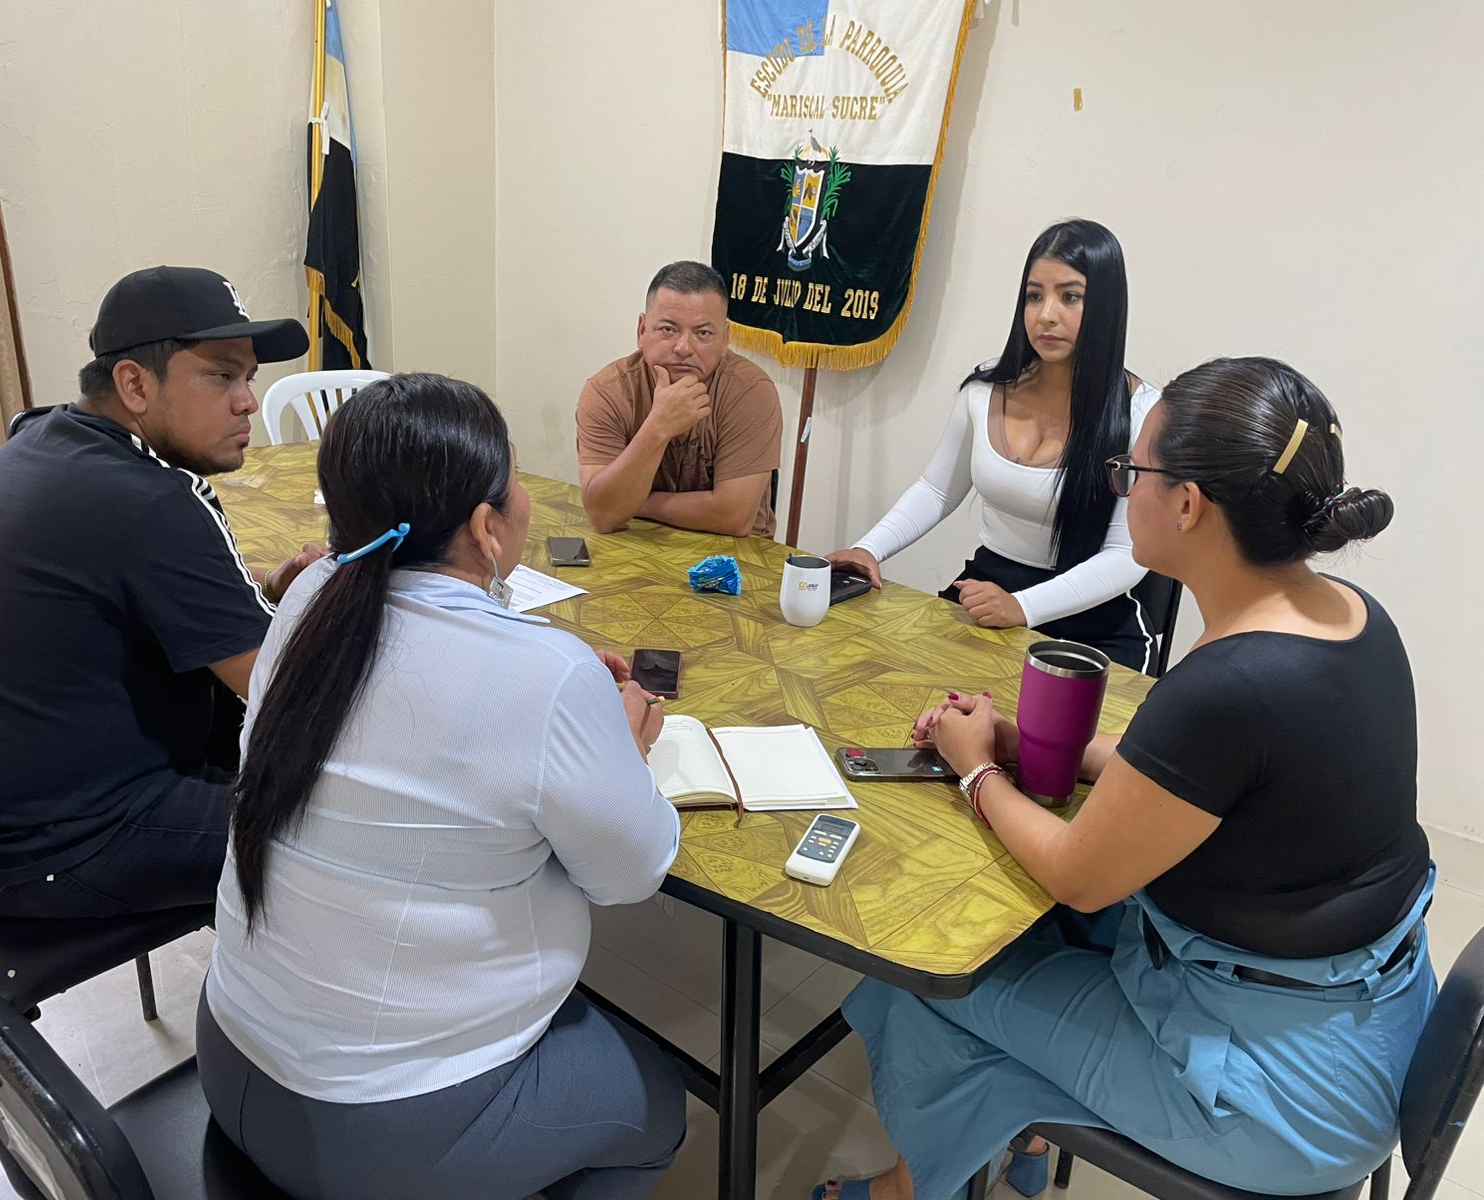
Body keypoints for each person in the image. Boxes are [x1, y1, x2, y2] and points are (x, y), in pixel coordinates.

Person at [821, 358, 1435, 1200]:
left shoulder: (1229, 684)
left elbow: (1077, 875)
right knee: (1021, 937)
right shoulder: (1350, 615)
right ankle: (1015, 1144)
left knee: (929, 978)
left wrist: (975, 770)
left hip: (1278, 1095)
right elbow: (1195, 776)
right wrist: (1024, 743)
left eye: (1130, 471)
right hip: (1370, 1022)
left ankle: (913, 1185)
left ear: (1188, 505)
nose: (1121, 489)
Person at [199, 373, 686, 1200]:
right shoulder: (549, 673)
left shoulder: (310, 597)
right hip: (373, 1131)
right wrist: (624, 747)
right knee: (658, 1109)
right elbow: (629, 875)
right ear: (487, 529)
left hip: (231, 1053)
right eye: (517, 483)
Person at [0, 266, 323, 920]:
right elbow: (282, 688)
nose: (247, 403)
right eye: (221, 376)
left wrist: (262, 586)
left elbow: (132, 587)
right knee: (351, 826)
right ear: (135, 384)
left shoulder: (46, 440)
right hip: (42, 850)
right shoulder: (151, 499)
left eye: (249, 378)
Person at [827, 219, 1162, 671]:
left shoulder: (1144, 412)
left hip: (1095, 624)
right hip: (987, 595)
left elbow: (1127, 555)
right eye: (1034, 296)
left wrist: (1023, 607)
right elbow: (936, 490)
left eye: (1070, 297)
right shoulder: (985, 389)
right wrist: (869, 548)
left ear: (1106, 304)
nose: (1046, 314)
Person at [577, 260, 783, 538]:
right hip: (634, 542)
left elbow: (734, 517)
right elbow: (603, 516)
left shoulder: (750, 391)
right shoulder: (608, 392)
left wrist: (634, 503)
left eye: (703, 333)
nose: (684, 348)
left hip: (735, 554)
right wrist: (659, 427)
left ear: (725, 339)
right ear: (642, 331)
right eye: (668, 329)